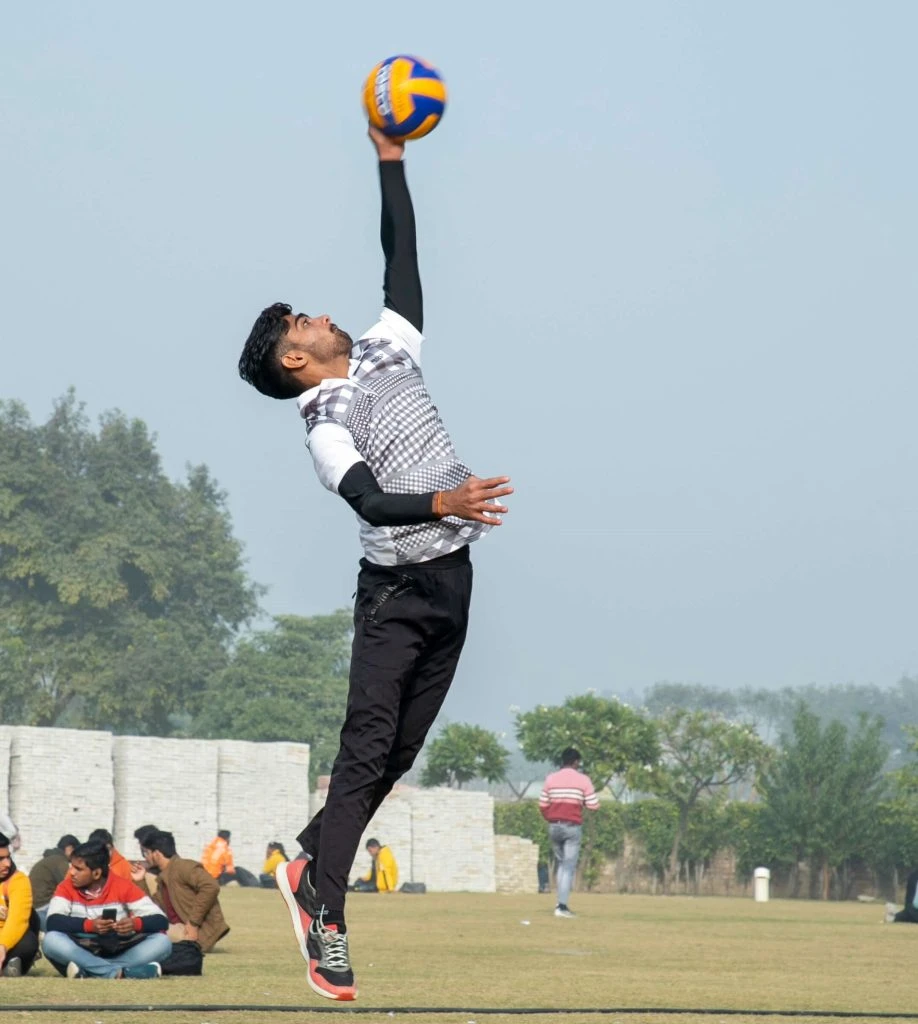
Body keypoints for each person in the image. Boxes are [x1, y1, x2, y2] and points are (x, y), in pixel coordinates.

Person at [238, 125, 512, 1002]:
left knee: (396, 755)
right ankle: (327, 915)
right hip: (393, 595)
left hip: (452, 583)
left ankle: (310, 860)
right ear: (294, 357)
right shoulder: (322, 419)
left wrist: (390, 159)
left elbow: (403, 254)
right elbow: (367, 501)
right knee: (363, 754)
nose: (319, 313)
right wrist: (443, 501)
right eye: (302, 321)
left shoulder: (389, 345)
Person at [42, 839, 171, 979]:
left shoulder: (123, 886)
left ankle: (91, 970)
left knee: (162, 942)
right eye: (71, 866)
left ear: (96, 873)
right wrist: (89, 925)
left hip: (119, 947)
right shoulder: (66, 887)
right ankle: (119, 973)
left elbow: (161, 920)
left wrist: (135, 924)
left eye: (78, 869)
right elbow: (53, 921)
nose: (72, 872)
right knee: (51, 940)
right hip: (81, 948)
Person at [136, 830, 229, 952]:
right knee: (137, 928)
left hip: (194, 933)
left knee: (140, 933)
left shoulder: (184, 867)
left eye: (146, 853)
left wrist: (193, 924)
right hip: (178, 929)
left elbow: (211, 886)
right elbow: (153, 909)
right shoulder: (165, 876)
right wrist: (140, 881)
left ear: (157, 853)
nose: (145, 858)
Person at [539, 748, 600, 918]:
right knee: (568, 867)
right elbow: (594, 805)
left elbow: (543, 805)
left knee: (561, 865)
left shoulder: (550, 778)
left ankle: (560, 903)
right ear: (576, 762)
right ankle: (562, 906)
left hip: (554, 826)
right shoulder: (583, 780)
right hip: (572, 827)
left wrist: (550, 818)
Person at [0, 831, 40, 976]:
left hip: (8, 941)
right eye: (0, 859)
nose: (7, 864)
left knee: (27, 943)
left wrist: (2, 946)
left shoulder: (18, 881)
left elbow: (17, 921)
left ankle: (11, 965)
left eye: (8, 857)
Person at [29, 834, 80, 929]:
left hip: (34, 905)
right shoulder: (60, 862)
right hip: (42, 906)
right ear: (70, 848)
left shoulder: (50, 859)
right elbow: (70, 885)